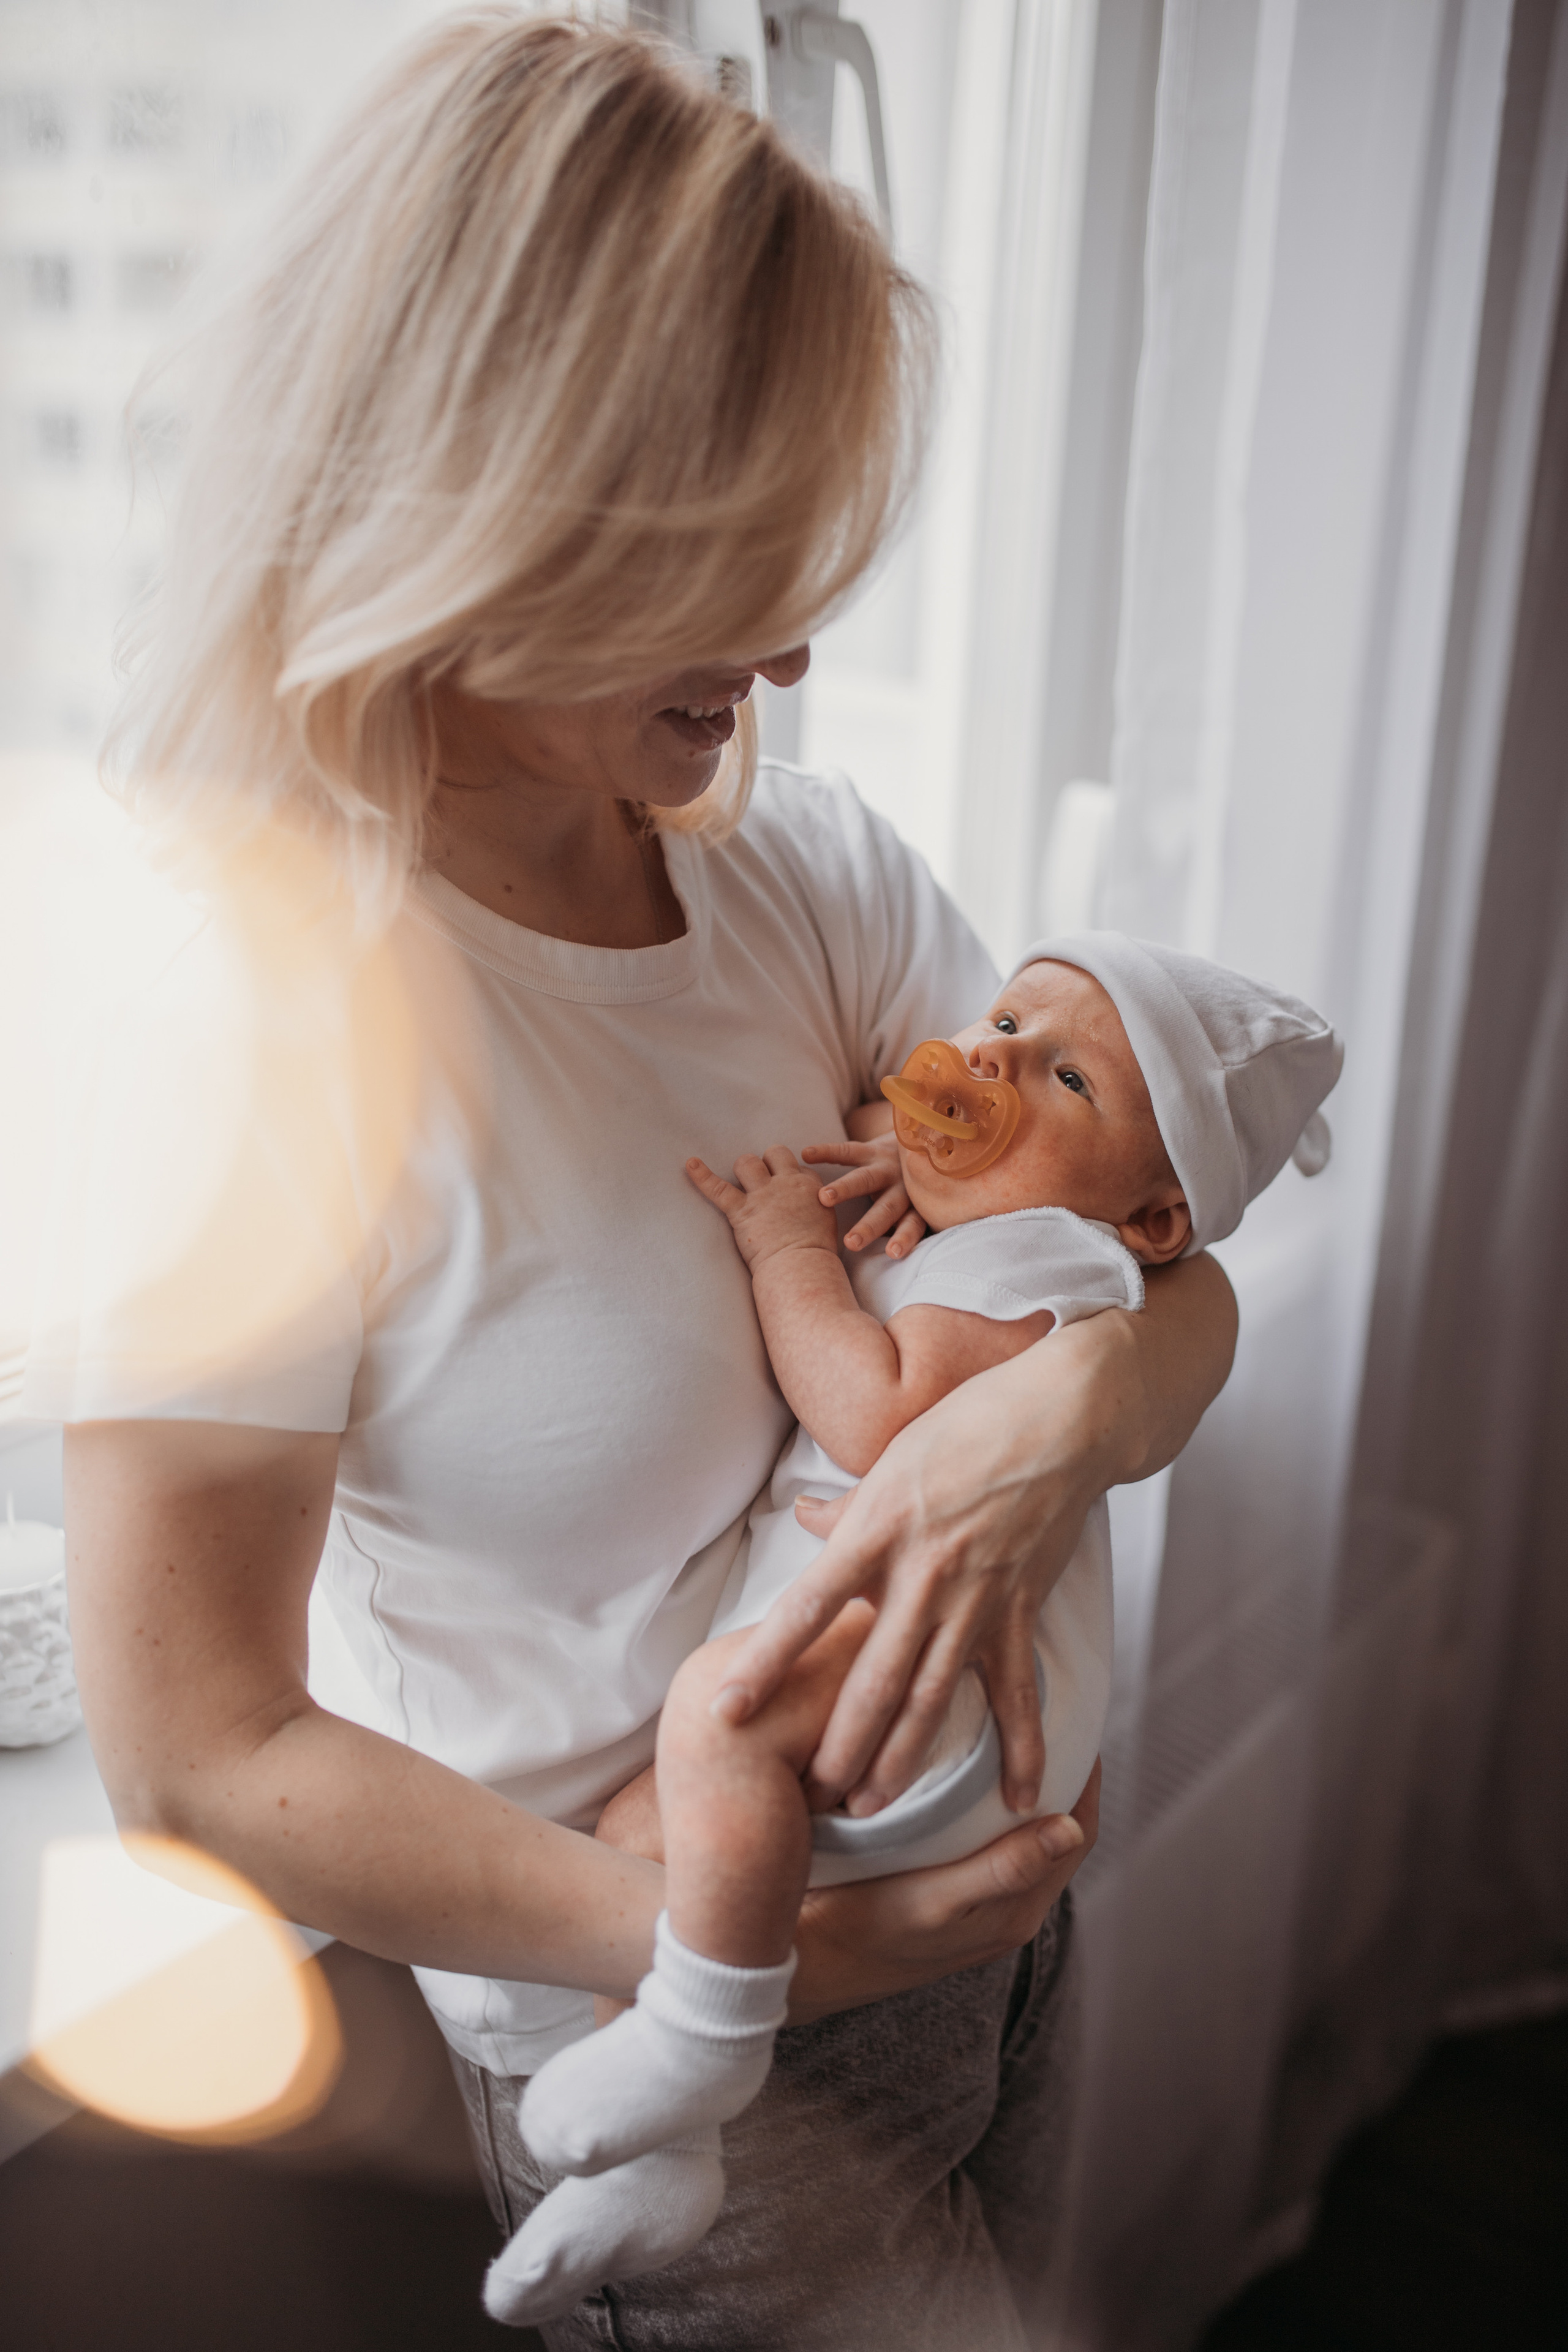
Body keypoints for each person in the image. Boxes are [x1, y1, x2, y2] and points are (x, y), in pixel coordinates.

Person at [33, 19, 1238, 2350]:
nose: (796, 650)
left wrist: (1046, 1432)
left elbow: (1154, 1267)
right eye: (732, 571)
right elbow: (203, 1750)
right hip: (677, 2058)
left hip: (996, 1943)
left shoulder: (808, 873)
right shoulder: (259, 1042)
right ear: (503, 508)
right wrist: (748, 1939)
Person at [487, 936, 1341, 2324]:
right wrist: (930, 1162)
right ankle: (659, 2154)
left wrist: (783, 1252)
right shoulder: (1021, 1225)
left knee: (718, 1717)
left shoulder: (1038, 1259)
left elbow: (877, 1410)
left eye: (1064, 1074)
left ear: (1153, 1220)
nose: (987, 1058)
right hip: (933, 1677)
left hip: (919, 1673)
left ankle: (702, 2057)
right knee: (642, 1841)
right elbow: (939, 1138)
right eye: (1002, 1018)